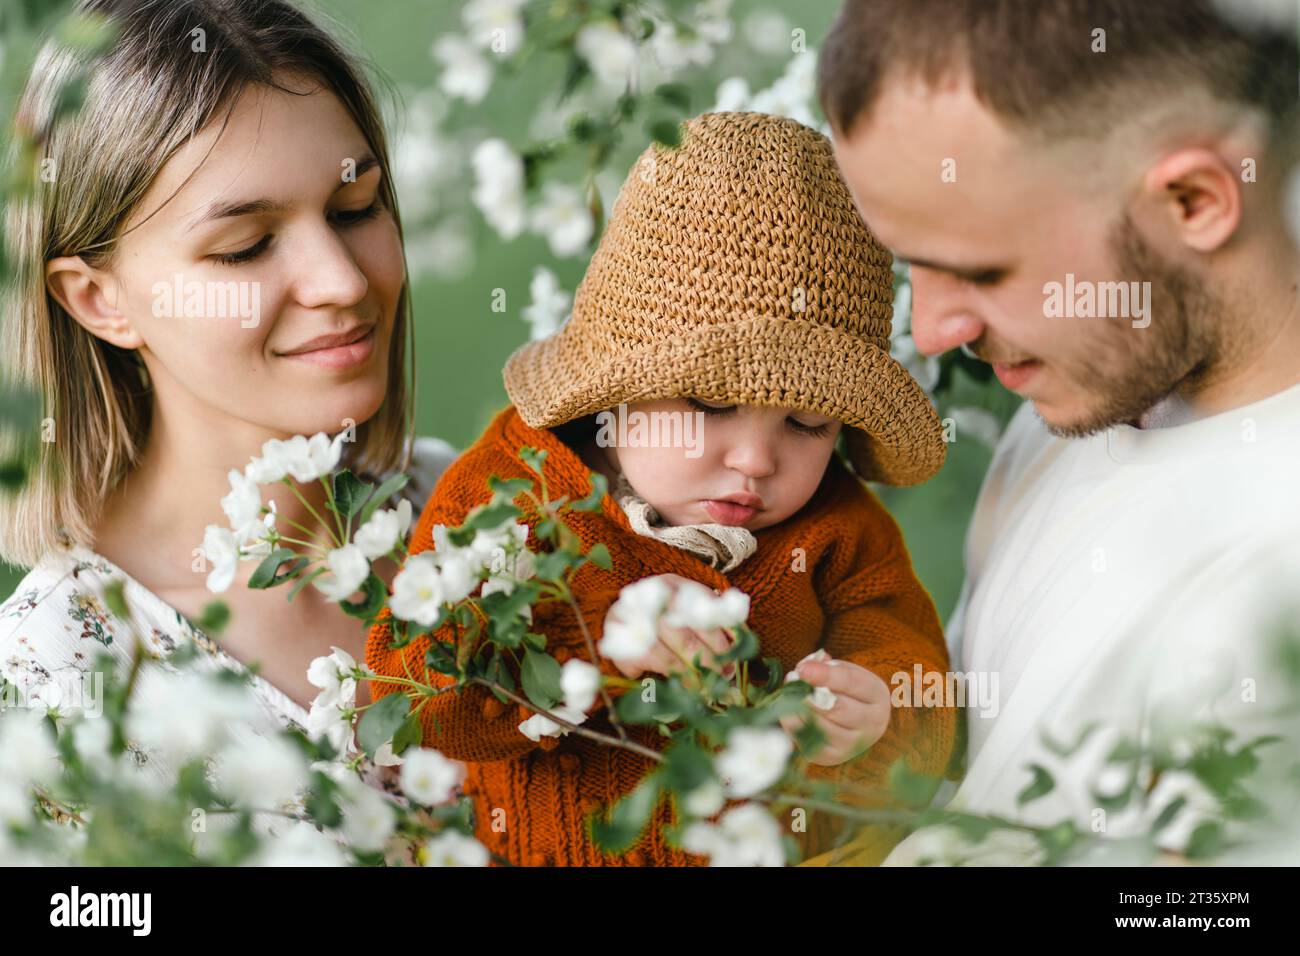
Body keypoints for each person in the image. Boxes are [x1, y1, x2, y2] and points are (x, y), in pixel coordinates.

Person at [366, 111, 957, 866]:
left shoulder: (838, 531)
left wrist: (876, 715)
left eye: (807, 423)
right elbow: (408, 694)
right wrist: (599, 641)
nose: (756, 459)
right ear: (615, 393)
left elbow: (913, 667)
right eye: (708, 406)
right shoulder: (516, 494)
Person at [817, 0, 1300, 863]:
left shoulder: (1272, 599)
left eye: (980, 270)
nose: (929, 331)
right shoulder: (1080, 401)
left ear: (1192, 202)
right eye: (907, 264)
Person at [0, 0, 455, 780]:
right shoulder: (47, 694)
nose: (342, 281)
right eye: (246, 248)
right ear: (97, 300)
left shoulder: (475, 514)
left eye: (356, 208)